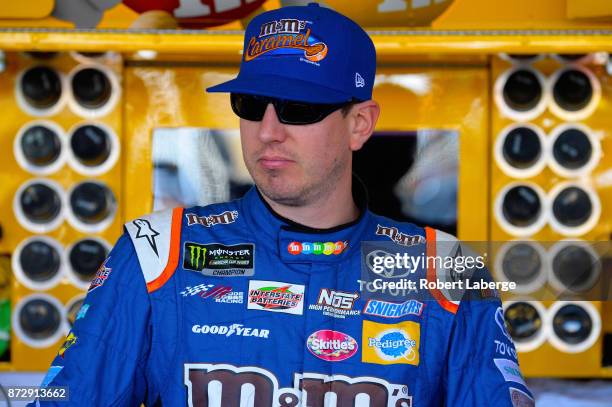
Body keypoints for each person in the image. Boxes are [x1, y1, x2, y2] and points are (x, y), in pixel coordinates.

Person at [33, 3, 533, 406]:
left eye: (299, 108)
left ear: (360, 123)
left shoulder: (448, 272)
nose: (268, 131)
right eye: (250, 105)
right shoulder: (156, 253)